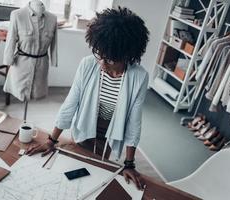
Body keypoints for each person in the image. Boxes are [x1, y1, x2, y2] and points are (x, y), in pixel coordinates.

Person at [26, 7, 149, 190]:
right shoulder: (88, 65)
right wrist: (51, 140)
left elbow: (133, 122)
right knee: (73, 172)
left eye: (109, 59)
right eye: (99, 55)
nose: (102, 63)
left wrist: (129, 163)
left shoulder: (139, 77)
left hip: (110, 133)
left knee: (95, 173)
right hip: (85, 127)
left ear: (126, 55)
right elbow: (70, 105)